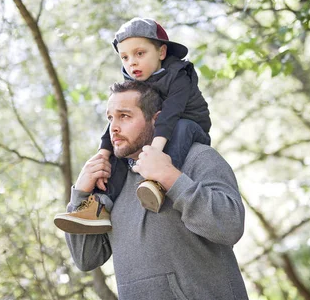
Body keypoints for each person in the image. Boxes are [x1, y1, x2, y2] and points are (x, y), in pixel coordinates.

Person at [60, 81, 260, 300]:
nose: (114, 127)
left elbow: (230, 226)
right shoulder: (112, 183)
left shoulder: (198, 158)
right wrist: (80, 194)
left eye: (125, 116)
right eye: (111, 117)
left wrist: (171, 178)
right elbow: (86, 258)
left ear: (156, 119)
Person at [54, 17, 211, 234]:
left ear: (162, 52)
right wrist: (103, 155)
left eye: (140, 54)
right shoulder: (134, 81)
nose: (132, 63)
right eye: (125, 57)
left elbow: (170, 115)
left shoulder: (179, 75)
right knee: (121, 149)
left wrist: (154, 154)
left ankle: (157, 183)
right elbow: (116, 121)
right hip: (156, 126)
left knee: (181, 126)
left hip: (189, 125)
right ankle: (100, 206)